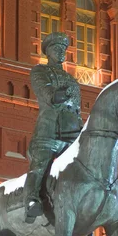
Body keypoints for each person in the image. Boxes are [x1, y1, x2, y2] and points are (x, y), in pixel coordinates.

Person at [24, 32, 83, 223]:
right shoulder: (40, 71)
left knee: (83, 167)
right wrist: (58, 95)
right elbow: (46, 93)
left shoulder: (72, 80)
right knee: (40, 163)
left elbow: (77, 108)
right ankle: (31, 200)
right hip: (49, 129)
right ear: (48, 51)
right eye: (57, 48)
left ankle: (84, 208)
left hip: (72, 132)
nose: (61, 52)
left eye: (64, 49)